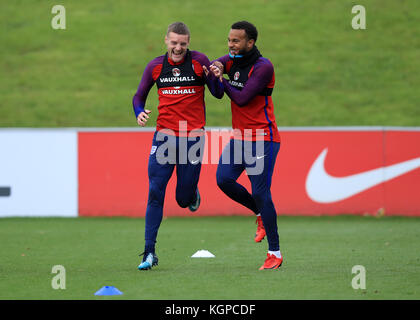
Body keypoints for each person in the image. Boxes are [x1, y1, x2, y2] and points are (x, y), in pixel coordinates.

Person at [132, 22, 222, 270]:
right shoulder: (155, 66)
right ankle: (149, 252)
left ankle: (191, 193)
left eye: (183, 43)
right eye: (174, 43)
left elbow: (217, 93)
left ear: (188, 42)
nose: (178, 47)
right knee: (155, 191)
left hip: (193, 138)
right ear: (166, 41)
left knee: (182, 199)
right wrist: (139, 112)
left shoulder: (199, 61)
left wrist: (214, 78)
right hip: (164, 137)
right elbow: (139, 96)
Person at [206, 21, 283, 270]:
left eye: (236, 41)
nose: (230, 44)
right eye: (229, 39)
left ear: (250, 42)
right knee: (223, 179)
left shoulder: (264, 67)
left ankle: (275, 254)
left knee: (261, 192)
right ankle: (259, 213)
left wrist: (222, 78)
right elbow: (218, 93)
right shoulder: (231, 59)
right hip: (240, 138)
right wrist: (215, 70)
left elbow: (241, 98)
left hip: (263, 138)